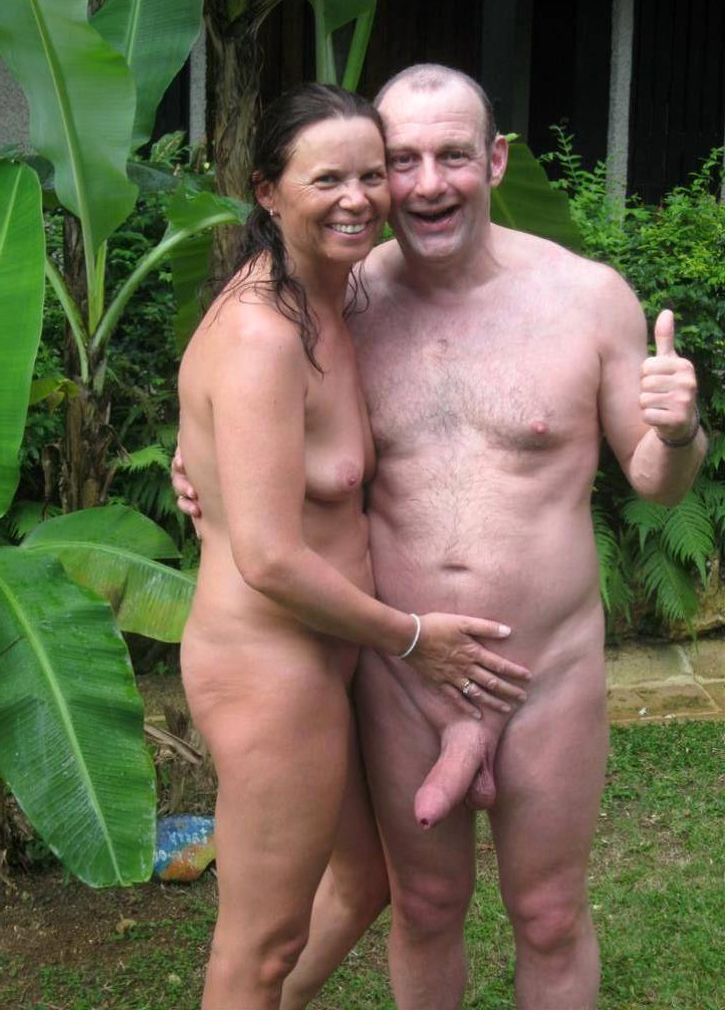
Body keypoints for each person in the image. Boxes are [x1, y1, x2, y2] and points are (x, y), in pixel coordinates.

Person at [175, 66, 705, 1010]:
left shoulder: (586, 298)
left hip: (543, 670)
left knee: (548, 914)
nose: (424, 184)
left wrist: (677, 432)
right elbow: (247, 392)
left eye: (452, 156)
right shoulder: (347, 295)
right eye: (401, 160)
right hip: (401, 674)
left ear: (493, 160)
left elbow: (654, 480)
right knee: (422, 905)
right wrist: (200, 460)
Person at [176, 80, 531, 1010]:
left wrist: (194, 451)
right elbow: (268, 557)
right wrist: (413, 637)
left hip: (325, 658)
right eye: (325, 179)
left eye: (372, 175)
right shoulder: (262, 334)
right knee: (260, 945)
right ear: (267, 192)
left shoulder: (336, 299)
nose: (358, 198)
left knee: (365, 881)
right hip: (270, 669)